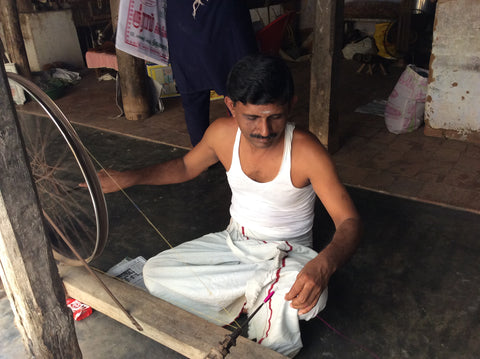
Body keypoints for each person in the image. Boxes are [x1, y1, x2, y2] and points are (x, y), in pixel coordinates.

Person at [92, 54, 362, 357]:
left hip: (286, 255)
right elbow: (185, 167)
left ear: (291, 104)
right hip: (233, 242)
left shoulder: (307, 151)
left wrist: (323, 266)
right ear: (231, 106)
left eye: (275, 116)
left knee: (308, 293)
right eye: (252, 118)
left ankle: (260, 338)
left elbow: (348, 221)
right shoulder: (222, 134)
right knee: (155, 273)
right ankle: (252, 299)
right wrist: (130, 177)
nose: (264, 130)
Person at [166, 0, 258, 146]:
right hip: (213, 19)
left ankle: (204, 153)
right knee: (240, 87)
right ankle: (246, 149)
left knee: (197, 93)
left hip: (188, 21)